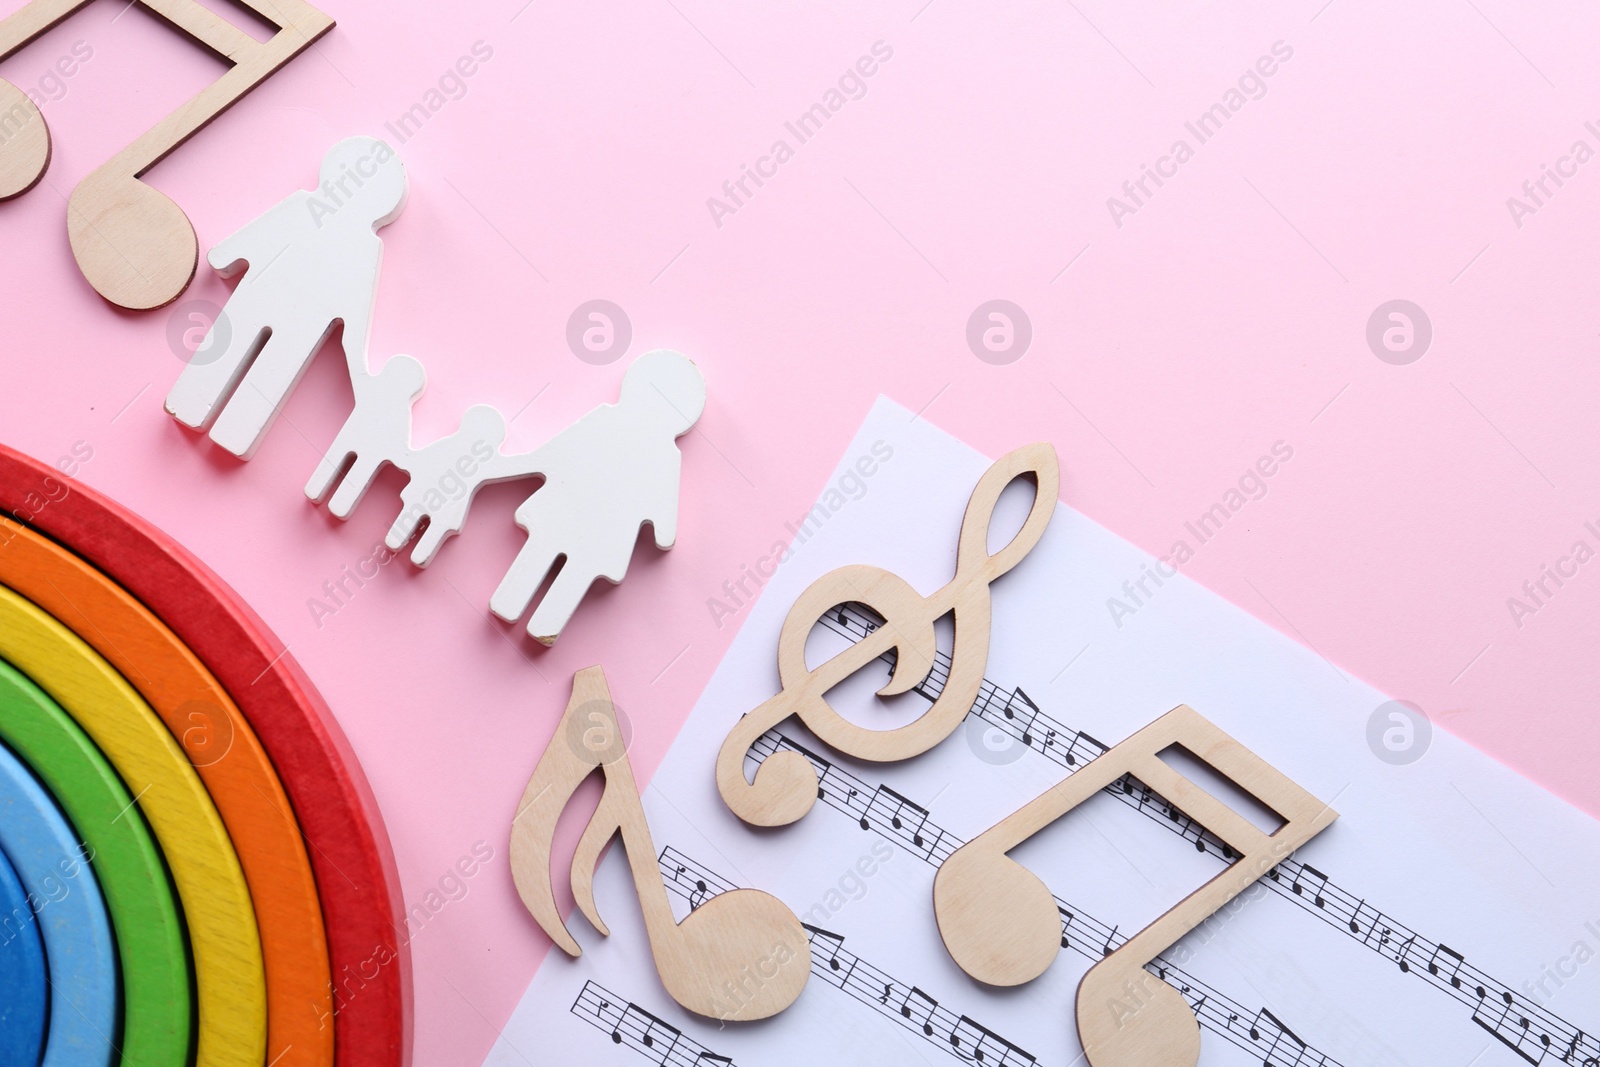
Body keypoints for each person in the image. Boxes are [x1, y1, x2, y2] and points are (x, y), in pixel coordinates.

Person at [165, 136, 407, 459]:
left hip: (266, 302)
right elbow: (355, 311)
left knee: (242, 362)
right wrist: (356, 359)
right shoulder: (359, 242)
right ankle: (221, 423)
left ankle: (196, 407)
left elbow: (250, 241)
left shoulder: (317, 215)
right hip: (293, 321)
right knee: (264, 376)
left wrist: (225, 255)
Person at [491, 350, 706, 644]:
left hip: (571, 517)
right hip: (598, 534)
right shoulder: (663, 452)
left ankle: (515, 606)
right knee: (567, 568)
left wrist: (524, 462)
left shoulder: (614, 424)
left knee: (549, 557)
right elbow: (664, 531)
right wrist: (661, 529)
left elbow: (555, 454)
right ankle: (537, 622)